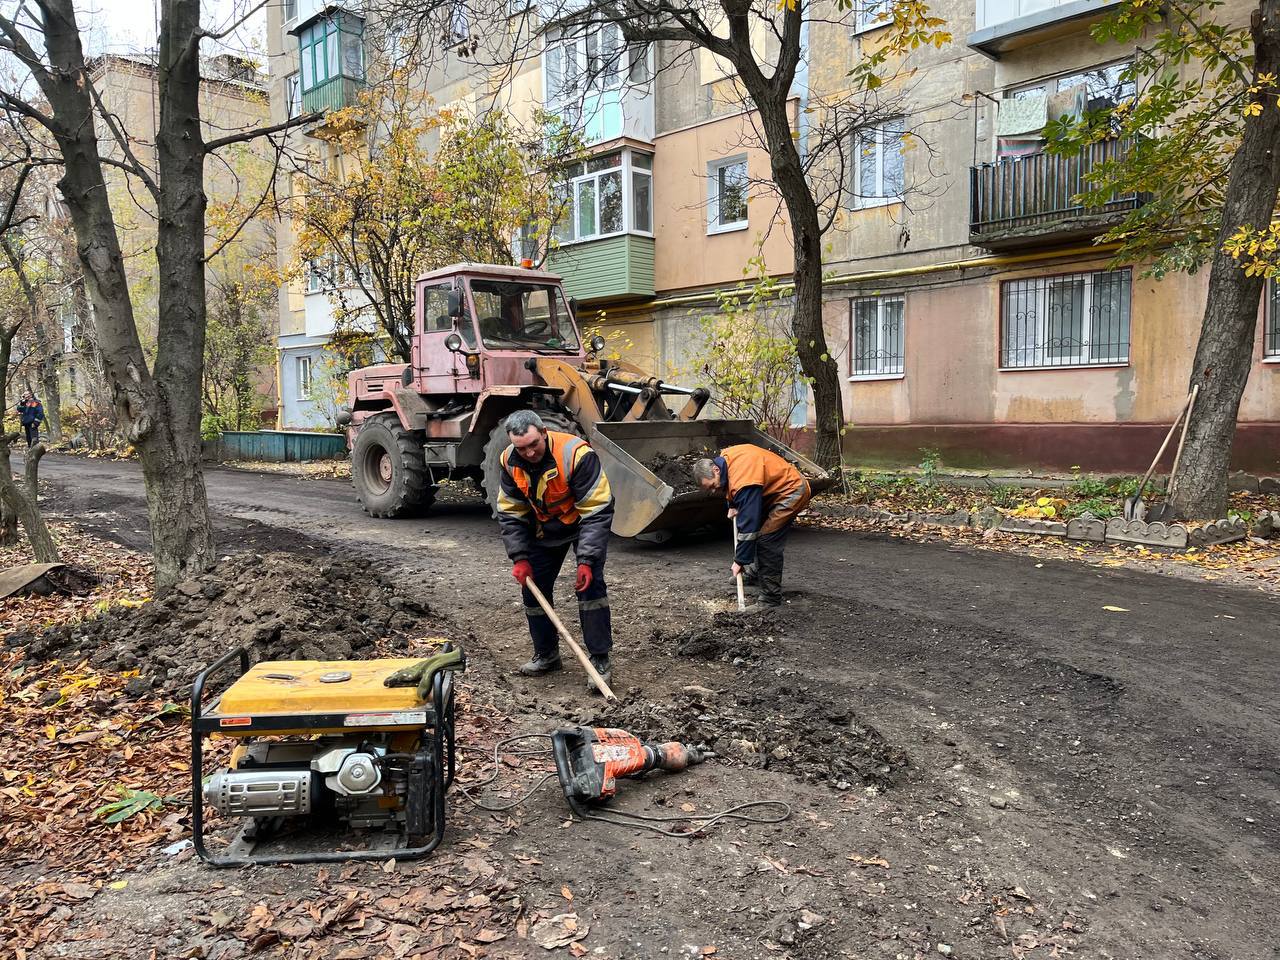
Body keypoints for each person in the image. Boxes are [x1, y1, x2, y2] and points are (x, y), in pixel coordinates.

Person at [496, 409, 615, 690]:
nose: (528, 453)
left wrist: (586, 561)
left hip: (584, 522)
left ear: (544, 434)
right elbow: (511, 513)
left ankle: (599, 659)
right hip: (545, 526)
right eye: (521, 448)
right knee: (532, 587)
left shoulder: (576, 455)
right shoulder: (508, 461)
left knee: (590, 587)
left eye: (533, 444)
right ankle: (547, 654)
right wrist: (520, 557)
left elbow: (596, 511)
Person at [693, 445, 812, 612]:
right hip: (772, 491)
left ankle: (770, 598)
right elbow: (731, 483)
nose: (714, 491)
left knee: (767, 540)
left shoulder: (744, 479)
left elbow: (749, 525)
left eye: (712, 486)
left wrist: (739, 561)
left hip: (791, 491)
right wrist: (732, 503)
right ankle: (755, 574)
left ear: (715, 470)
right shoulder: (725, 459)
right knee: (760, 535)